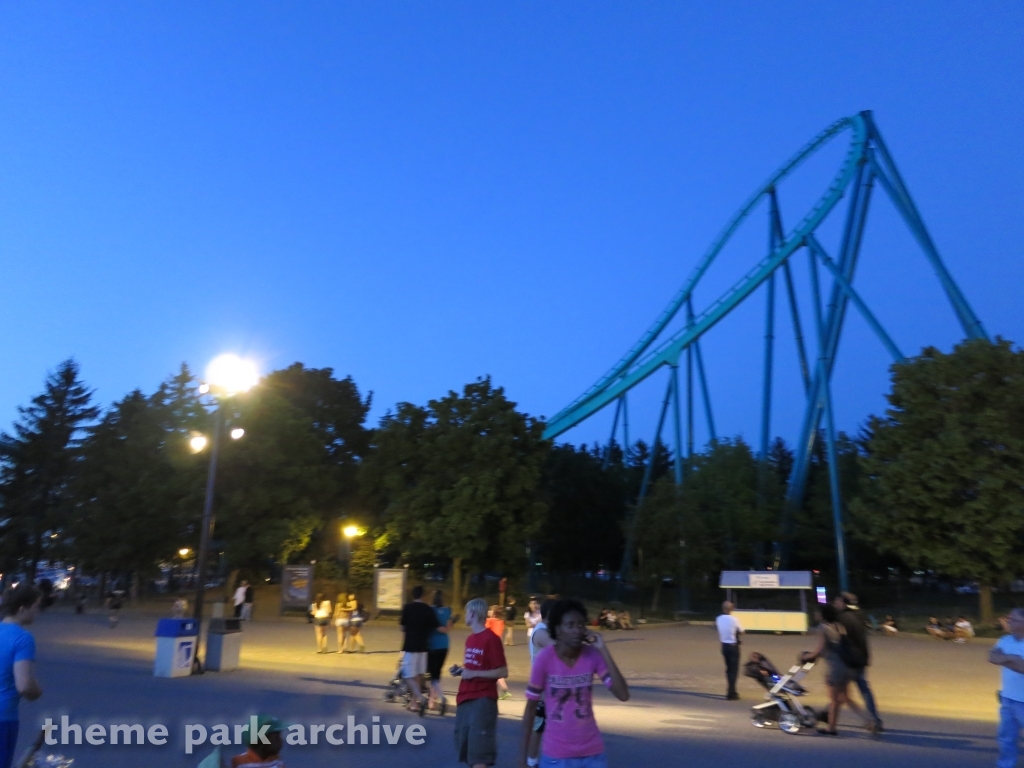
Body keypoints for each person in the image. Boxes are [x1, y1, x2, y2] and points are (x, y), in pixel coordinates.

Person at [522, 598, 629, 768]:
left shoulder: (592, 655)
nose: (577, 630)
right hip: (557, 755)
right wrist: (523, 759)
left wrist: (603, 649)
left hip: (593, 754)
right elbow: (530, 710)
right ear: (557, 629)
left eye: (580, 625)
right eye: (570, 625)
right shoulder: (545, 659)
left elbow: (623, 694)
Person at [451, 598, 508, 768]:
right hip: (465, 698)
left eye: (467, 612)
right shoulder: (470, 639)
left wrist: (473, 673)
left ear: (474, 614)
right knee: (467, 748)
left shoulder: (491, 639)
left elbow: (502, 671)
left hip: (483, 699)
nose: (465, 615)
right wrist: (461, 670)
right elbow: (473, 667)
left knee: (479, 753)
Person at [801, 604, 873, 735]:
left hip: (835, 667)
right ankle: (868, 720)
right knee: (845, 697)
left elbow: (821, 649)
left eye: (818, 612)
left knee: (834, 699)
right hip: (847, 665)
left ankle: (831, 728)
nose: (816, 614)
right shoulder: (839, 626)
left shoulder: (822, 628)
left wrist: (807, 656)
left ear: (823, 615)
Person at [0, 583, 43, 768]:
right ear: (22, 608)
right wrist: (37, 691)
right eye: (36, 606)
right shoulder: (22, 638)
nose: (37, 611)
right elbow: (24, 685)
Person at [834, 592, 882, 731]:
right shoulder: (860, 614)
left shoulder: (841, 617)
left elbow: (838, 637)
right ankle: (875, 718)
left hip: (848, 659)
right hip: (862, 657)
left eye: (837, 601)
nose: (836, 604)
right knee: (864, 690)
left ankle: (868, 720)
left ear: (843, 603)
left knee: (839, 690)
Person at [990, 607, 1024, 768]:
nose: (1008, 622)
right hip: (1008, 698)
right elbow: (992, 657)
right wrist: (1011, 658)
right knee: (1006, 739)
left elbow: (1023, 668)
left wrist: (1003, 659)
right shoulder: (1005, 639)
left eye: (1013, 620)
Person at [525, 598, 556, 768]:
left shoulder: (548, 629)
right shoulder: (541, 632)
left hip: (550, 685)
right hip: (541, 687)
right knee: (539, 725)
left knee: (547, 725)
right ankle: (532, 761)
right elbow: (560, 648)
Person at [399, 585, 440, 715]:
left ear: (413, 595)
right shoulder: (428, 609)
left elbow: (402, 627)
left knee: (407, 674)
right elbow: (434, 626)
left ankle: (420, 699)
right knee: (418, 675)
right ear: (423, 595)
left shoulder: (407, 607)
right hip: (423, 647)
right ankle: (413, 703)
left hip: (410, 646)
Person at [427, 590, 453, 714]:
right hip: (444, 644)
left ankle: (432, 700)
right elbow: (448, 628)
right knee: (438, 671)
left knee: (432, 672)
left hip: (433, 644)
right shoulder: (448, 610)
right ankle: (434, 696)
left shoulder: (430, 610)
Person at [716, 601, 743, 700]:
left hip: (724, 646)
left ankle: (731, 689)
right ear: (731, 609)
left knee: (728, 669)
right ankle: (731, 692)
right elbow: (742, 631)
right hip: (733, 646)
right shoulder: (734, 619)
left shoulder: (718, 618)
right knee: (734, 670)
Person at [484, 607, 511, 699]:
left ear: (494, 613)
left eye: (490, 610)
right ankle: (503, 689)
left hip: (490, 644)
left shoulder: (489, 620)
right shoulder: (501, 621)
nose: (488, 611)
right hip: (498, 643)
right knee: (495, 666)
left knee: (490, 668)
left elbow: (485, 632)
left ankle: (503, 689)